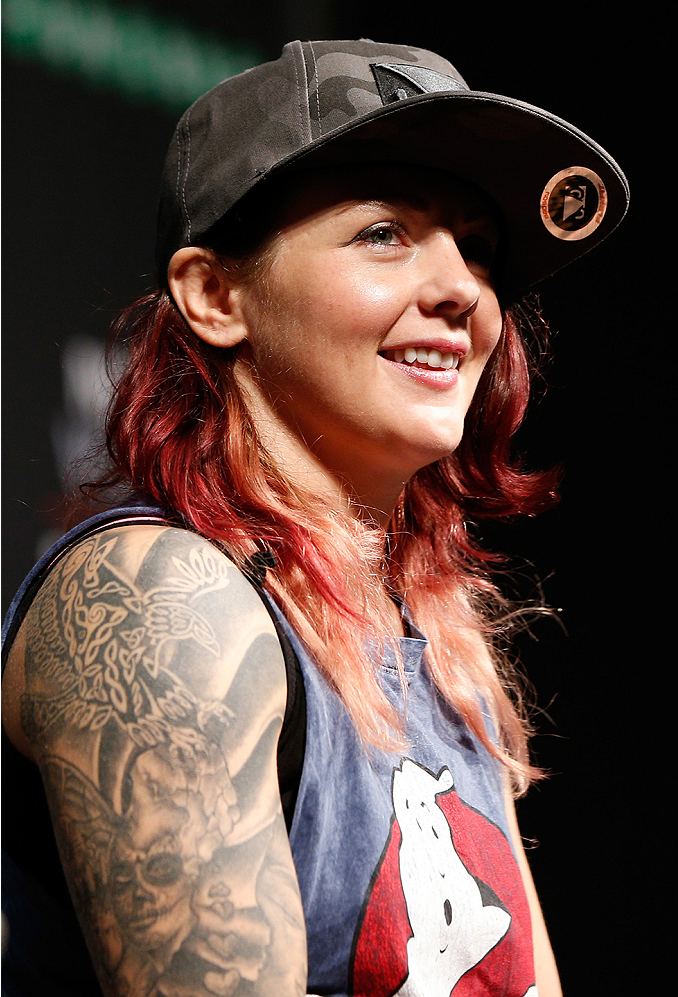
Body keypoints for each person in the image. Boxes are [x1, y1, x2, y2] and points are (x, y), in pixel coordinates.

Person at [0, 38, 628, 997]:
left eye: (479, 248)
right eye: (384, 232)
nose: (463, 289)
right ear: (216, 294)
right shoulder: (164, 603)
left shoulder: (440, 642)